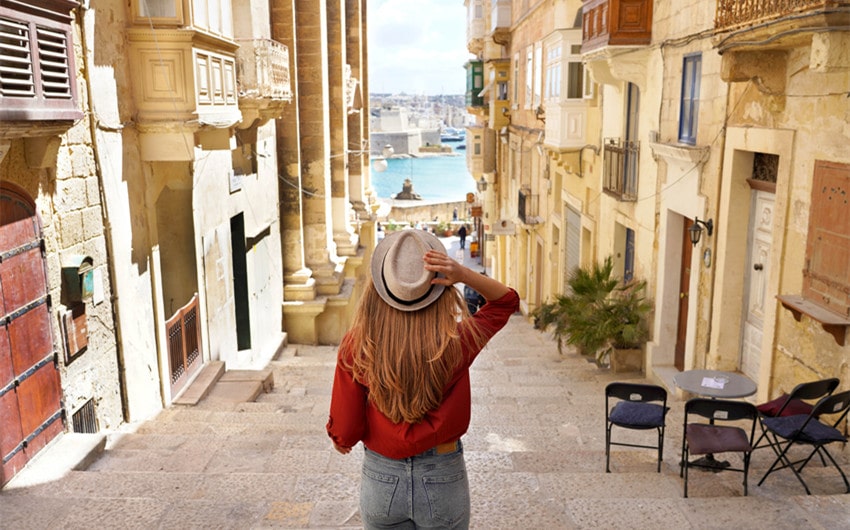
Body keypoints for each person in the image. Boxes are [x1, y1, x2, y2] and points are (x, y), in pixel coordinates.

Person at [326, 230, 518, 529]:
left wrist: (341, 439)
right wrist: (464, 274)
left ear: (379, 288)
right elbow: (506, 302)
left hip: (381, 475)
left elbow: (347, 429)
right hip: (443, 474)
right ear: (439, 287)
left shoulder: (357, 345)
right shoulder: (456, 341)